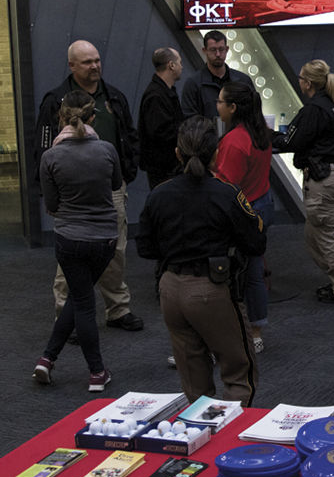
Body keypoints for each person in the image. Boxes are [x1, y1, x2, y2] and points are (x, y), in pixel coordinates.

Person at [135, 116, 266, 405]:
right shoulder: (227, 194)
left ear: (178, 153)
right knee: (238, 373)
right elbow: (256, 242)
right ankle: (231, 440)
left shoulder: (159, 194)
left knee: (194, 382)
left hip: (170, 290)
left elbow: (145, 247)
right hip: (213, 290)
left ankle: (199, 440)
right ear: (216, 153)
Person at [34, 40, 142, 333]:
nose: (94, 66)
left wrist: (125, 173)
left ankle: (118, 310)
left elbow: (129, 137)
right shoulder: (55, 101)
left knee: (115, 251)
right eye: (86, 62)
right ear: (72, 65)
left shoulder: (114, 98)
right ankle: (65, 318)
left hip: (112, 191)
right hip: (73, 195)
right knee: (71, 258)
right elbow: (43, 149)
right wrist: (50, 193)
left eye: (96, 60)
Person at [32, 90, 121, 393]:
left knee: (80, 299)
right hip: (104, 239)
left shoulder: (50, 157)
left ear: (61, 118)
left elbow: (52, 204)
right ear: (93, 116)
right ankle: (86, 369)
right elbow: (116, 184)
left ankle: (56, 361)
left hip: (69, 239)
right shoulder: (107, 150)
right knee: (81, 299)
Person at [273, 60, 334, 305]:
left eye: (300, 78)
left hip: (325, 182)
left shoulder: (313, 109)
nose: (299, 81)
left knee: (328, 238)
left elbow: (291, 141)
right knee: (314, 236)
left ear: (308, 83)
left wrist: (267, 135)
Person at [215, 82, 274, 353]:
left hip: (242, 214)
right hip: (262, 206)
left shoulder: (234, 142)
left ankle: (224, 336)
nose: (217, 106)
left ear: (233, 107)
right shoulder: (261, 132)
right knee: (254, 273)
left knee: (229, 277)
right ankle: (256, 333)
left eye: (220, 102)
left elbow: (226, 187)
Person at [180, 30, 255, 118]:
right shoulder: (193, 84)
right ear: (204, 51)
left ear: (227, 49)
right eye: (213, 50)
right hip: (206, 131)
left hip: (239, 131)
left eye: (221, 49)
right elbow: (189, 120)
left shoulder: (243, 81)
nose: (218, 54)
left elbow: (254, 112)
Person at [138, 47, 184, 189]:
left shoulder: (165, 92)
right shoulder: (156, 96)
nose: (182, 66)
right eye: (180, 62)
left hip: (166, 165)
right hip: (164, 167)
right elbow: (161, 132)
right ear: (171, 65)